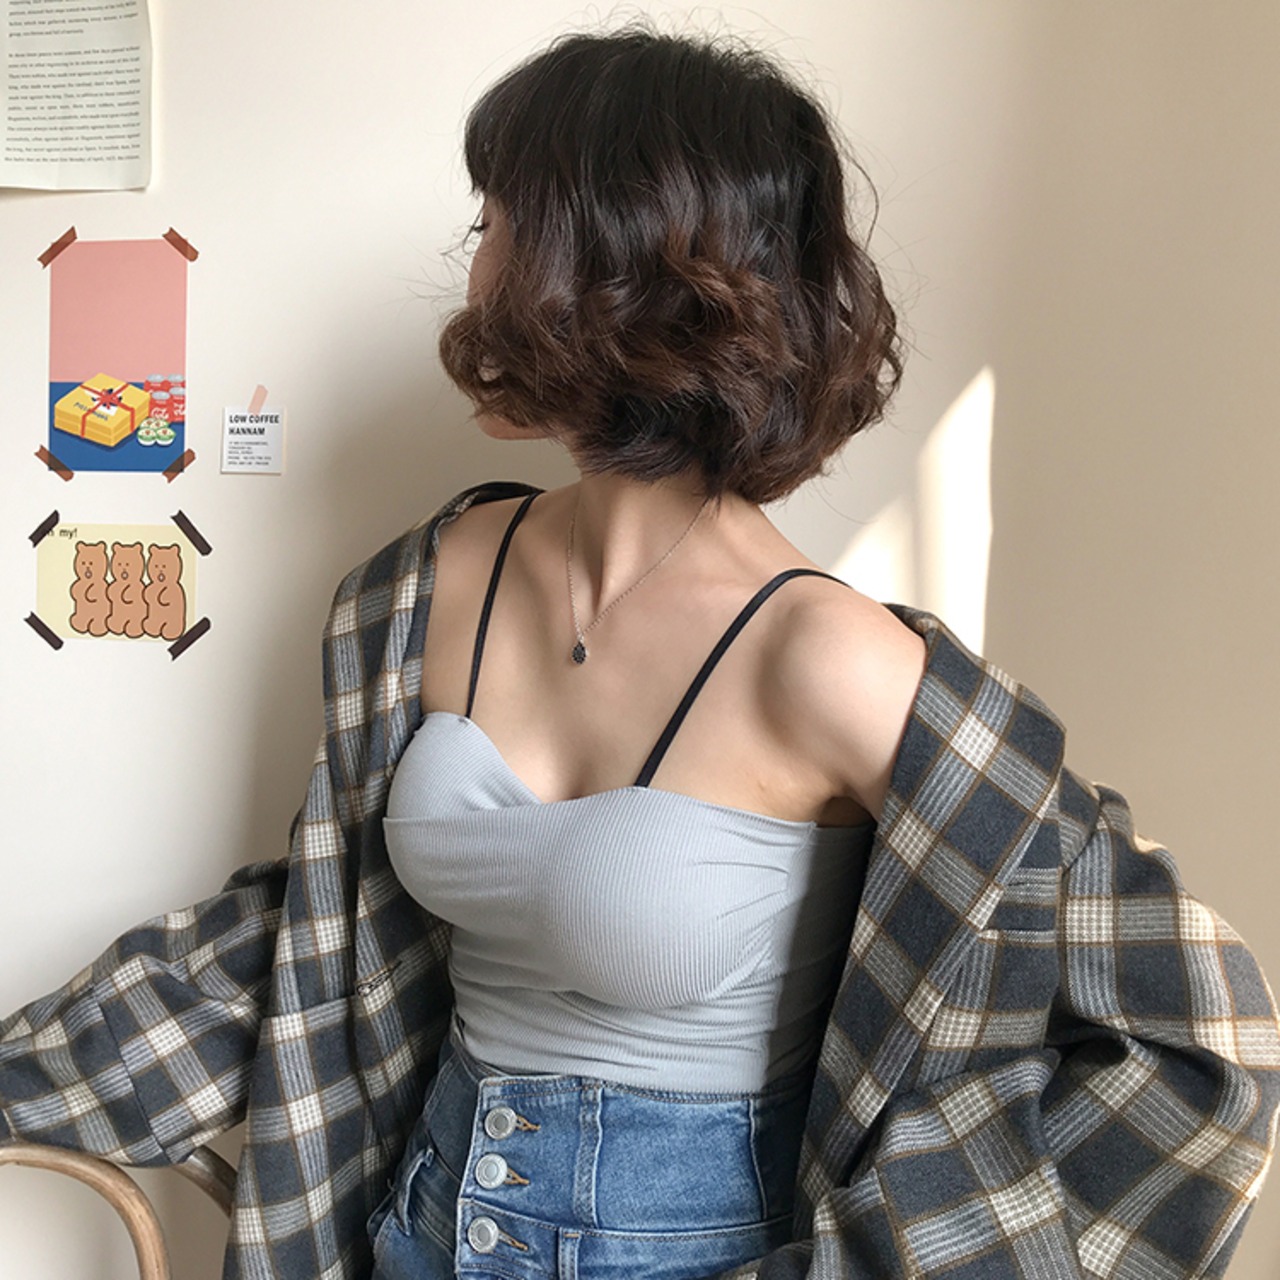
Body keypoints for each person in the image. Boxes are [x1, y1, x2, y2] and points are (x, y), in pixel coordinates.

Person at [3, 22, 1280, 1280]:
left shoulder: (825, 659)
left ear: (598, 264)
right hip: (414, 1234)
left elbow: (1194, 1033)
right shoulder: (420, 591)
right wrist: (28, 1074)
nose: (474, 262)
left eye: (496, 221)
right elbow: (316, 933)